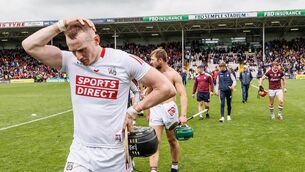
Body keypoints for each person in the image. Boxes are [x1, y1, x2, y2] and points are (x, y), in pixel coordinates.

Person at [22, 17, 176, 172]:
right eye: (73, 51)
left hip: (115, 153)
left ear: (96, 40)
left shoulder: (123, 60)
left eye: (82, 49)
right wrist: (61, 25)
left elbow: (166, 88)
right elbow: (29, 45)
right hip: (80, 151)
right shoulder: (70, 61)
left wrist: (134, 110)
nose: (79, 56)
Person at [148, 48, 187, 172]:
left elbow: (183, 95)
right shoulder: (152, 73)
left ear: (160, 60)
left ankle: (174, 165)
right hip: (156, 109)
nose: (151, 62)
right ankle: (153, 170)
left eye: (153, 59)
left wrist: (183, 115)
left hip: (170, 109)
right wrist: (148, 111)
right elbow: (149, 94)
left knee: (172, 140)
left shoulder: (173, 74)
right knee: (155, 141)